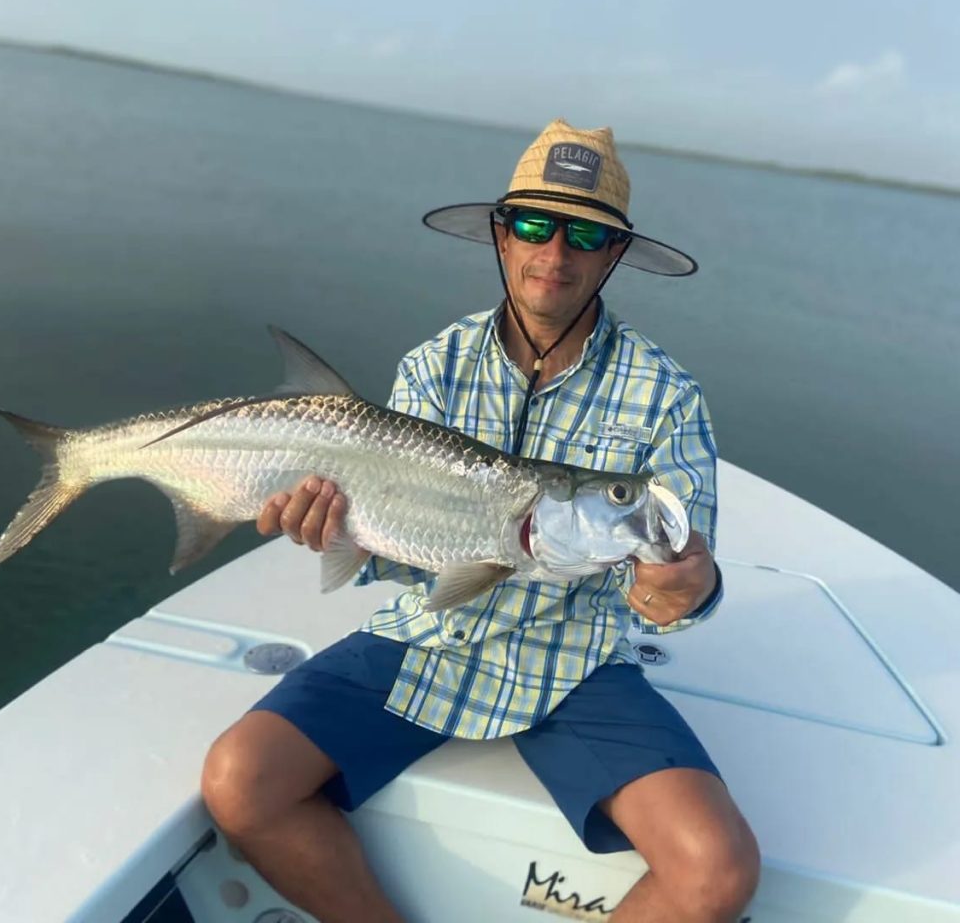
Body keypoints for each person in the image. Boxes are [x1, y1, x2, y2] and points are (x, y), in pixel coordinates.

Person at [201, 119, 760, 922]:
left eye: (586, 234)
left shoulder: (666, 393)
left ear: (614, 254)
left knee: (718, 872)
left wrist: (682, 587)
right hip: (427, 635)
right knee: (239, 783)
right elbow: (403, 553)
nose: (554, 252)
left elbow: (677, 587)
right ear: (501, 235)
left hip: (575, 659)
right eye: (533, 224)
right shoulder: (436, 365)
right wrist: (334, 529)